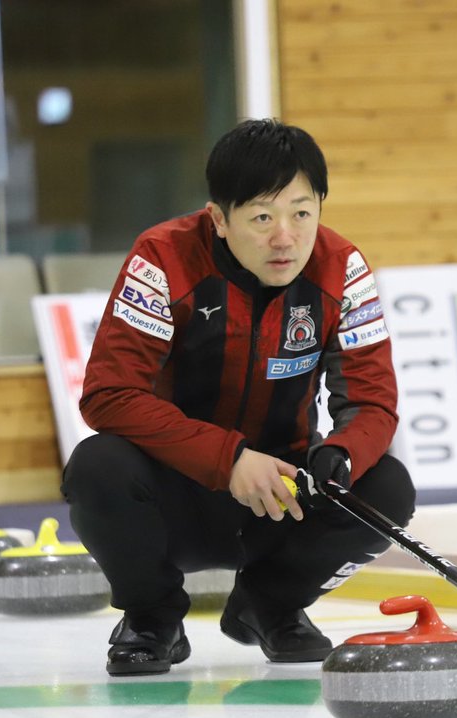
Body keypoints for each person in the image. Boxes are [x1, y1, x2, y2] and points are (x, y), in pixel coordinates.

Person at [61, 119, 416, 676]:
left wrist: (342, 453)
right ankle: (152, 618)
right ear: (219, 220)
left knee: (386, 487)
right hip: (173, 495)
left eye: (302, 212)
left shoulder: (344, 268)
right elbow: (109, 394)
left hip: (282, 497)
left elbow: (373, 403)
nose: (286, 237)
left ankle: (269, 605)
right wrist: (227, 461)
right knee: (96, 466)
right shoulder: (161, 258)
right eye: (261, 217)